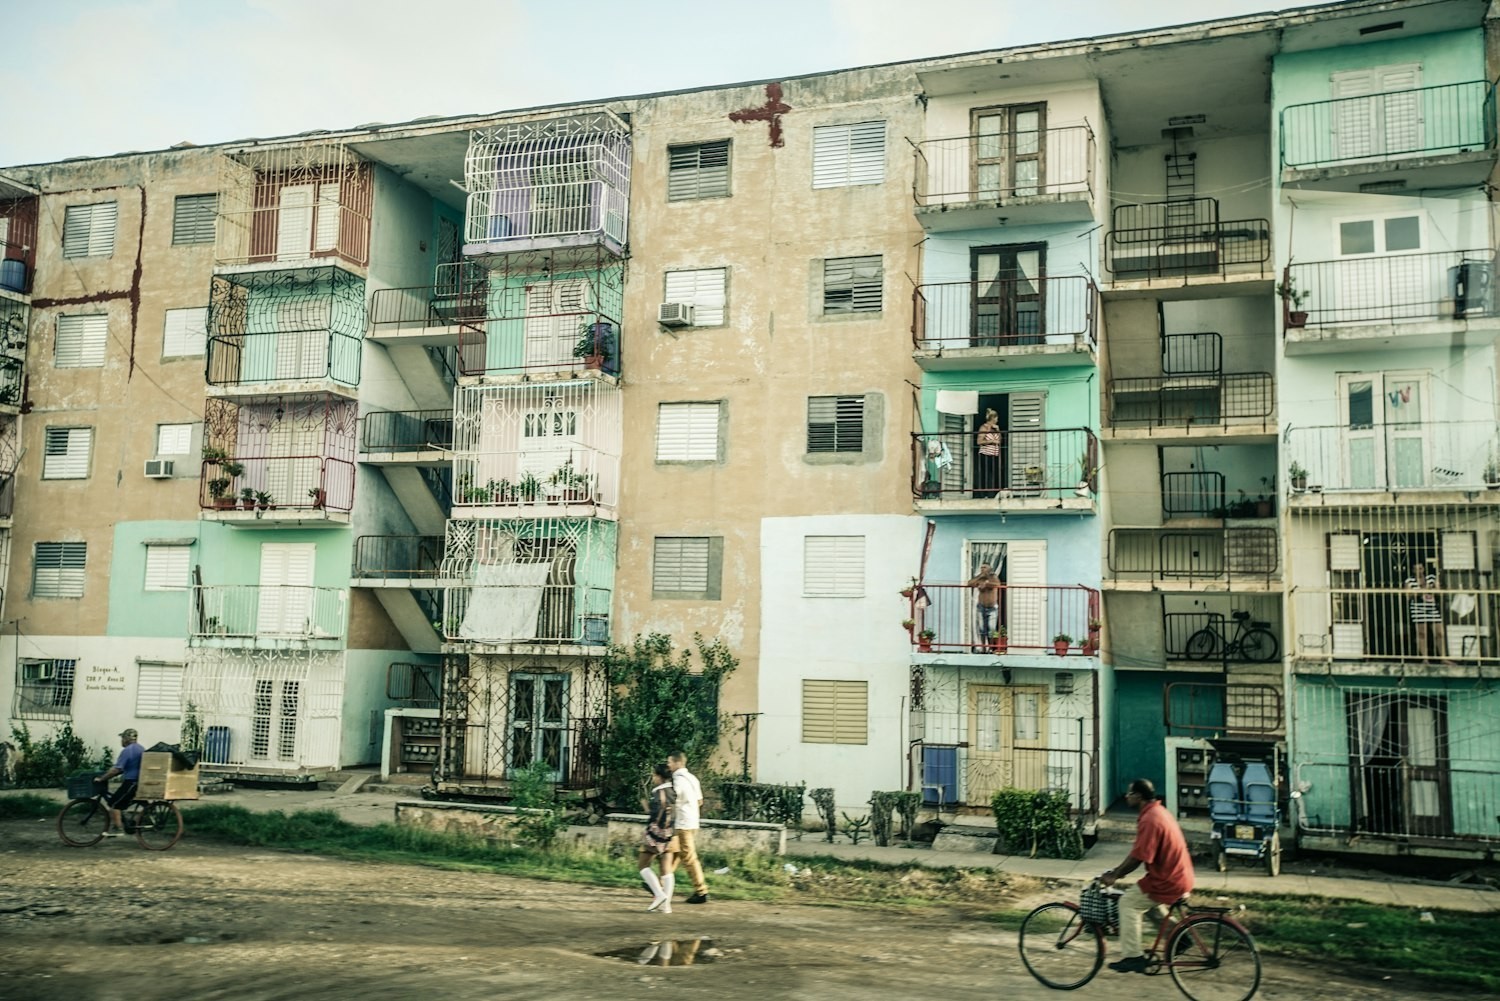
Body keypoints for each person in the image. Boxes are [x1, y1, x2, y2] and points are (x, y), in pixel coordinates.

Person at [1100, 778, 1194, 973]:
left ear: (1138, 796)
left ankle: (1133, 957)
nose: (1126, 796)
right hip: (1178, 875)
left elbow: (1138, 857)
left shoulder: (1150, 819)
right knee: (1148, 905)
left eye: (1129, 793)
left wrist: (1115, 875)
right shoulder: (1158, 812)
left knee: (1127, 903)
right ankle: (1179, 937)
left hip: (1167, 879)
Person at [667, 751, 709, 904]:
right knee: (675, 853)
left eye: (670, 762)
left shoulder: (677, 780)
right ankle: (661, 884)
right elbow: (699, 801)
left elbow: (673, 798)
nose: (668, 765)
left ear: (678, 763)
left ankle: (701, 890)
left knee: (688, 857)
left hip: (682, 823)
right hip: (692, 821)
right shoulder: (692, 778)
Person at [638, 761, 679, 913]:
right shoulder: (673, 790)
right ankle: (666, 906)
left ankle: (659, 894)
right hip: (672, 834)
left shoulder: (658, 793)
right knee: (666, 869)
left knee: (643, 865)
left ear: (660, 777)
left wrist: (645, 807)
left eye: (654, 775)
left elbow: (656, 814)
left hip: (657, 834)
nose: (653, 778)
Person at [98, 728, 144, 838]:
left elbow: (117, 769)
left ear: (126, 739)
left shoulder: (128, 750)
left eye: (122, 738)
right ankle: (127, 822)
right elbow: (126, 768)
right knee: (122, 801)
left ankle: (118, 829)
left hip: (131, 782)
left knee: (114, 804)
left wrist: (102, 778)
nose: (121, 741)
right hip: (139, 782)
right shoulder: (141, 748)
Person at [1406, 559, 1452, 663]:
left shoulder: (1431, 578)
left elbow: (1438, 591)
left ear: (1424, 569)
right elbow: (1408, 595)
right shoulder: (1409, 581)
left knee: (1439, 633)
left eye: (1421, 568)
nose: (1419, 571)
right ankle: (1425, 658)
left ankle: (1443, 657)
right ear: (1413, 570)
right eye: (1416, 569)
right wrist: (1420, 592)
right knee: (1421, 633)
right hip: (1418, 609)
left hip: (1432, 608)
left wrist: (1432, 589)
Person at [967, 563, 1002, 652]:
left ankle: (990, 648)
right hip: (981, 607)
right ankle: (983, 648)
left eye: (985, 567)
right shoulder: (980, 577)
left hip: (992, 608)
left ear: (989, 569)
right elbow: (969, 583)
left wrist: (986, 584)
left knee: (991, 629)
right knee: (982, 630)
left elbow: (997, 584)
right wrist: (980, 576)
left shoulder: (993, 577)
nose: (983, 569)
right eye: (981, 567)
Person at [975, 409, 1002, 495]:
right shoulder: (984, 427)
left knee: (996, 474)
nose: (997, 419)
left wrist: (998, 430)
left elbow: (1000, 441)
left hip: (995, 454)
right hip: (985, 455)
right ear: (993, 418)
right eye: (996, 417)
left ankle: (996, 493)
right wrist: (991, 442)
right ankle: (984, 493)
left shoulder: (996, 428)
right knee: (985, 474)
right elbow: (979, 442)